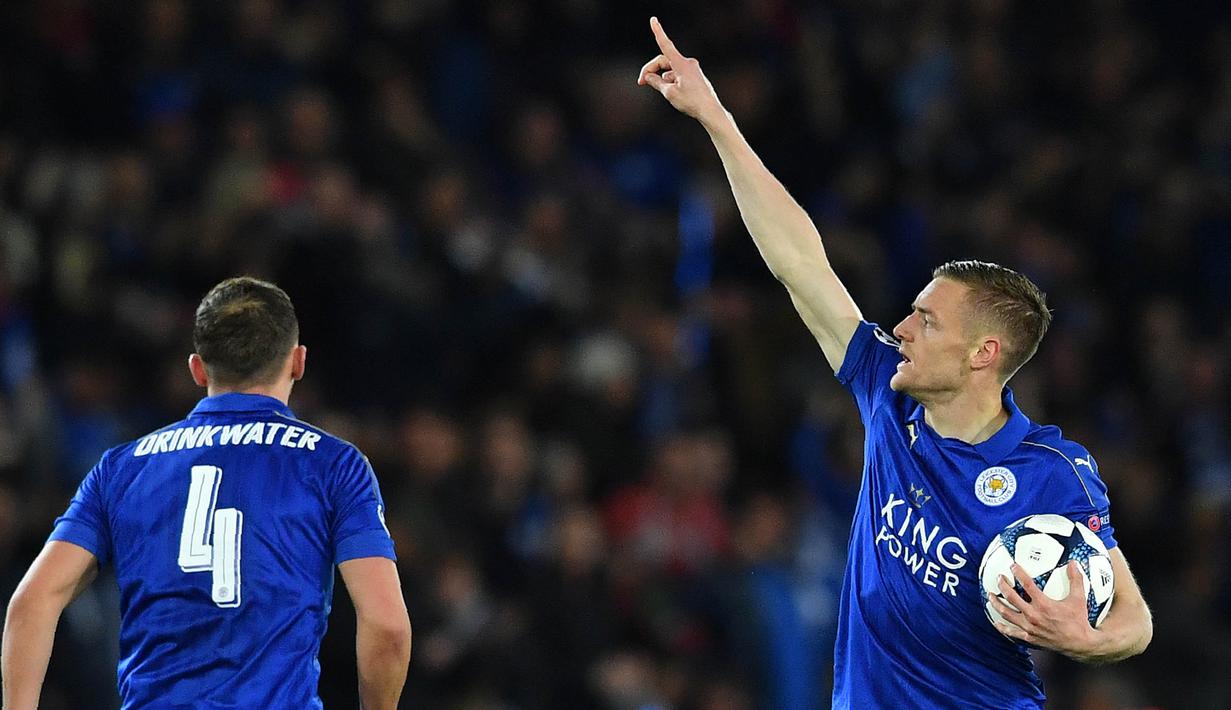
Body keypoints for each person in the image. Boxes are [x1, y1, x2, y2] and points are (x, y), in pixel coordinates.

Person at [638, 17, 1152, 708]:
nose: (901, 328)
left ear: (983, 354)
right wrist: (715, 117)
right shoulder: (888, 393)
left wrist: (1084, 639)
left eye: (926, 320)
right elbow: (800, 265)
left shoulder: (1049, 475)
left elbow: (1133, 622)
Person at [2, 277, 411, 709]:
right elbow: (387, 625)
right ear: (298, 362)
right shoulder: (333, 465)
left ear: (197, 368)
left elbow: (31, 603)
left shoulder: (121, 469)